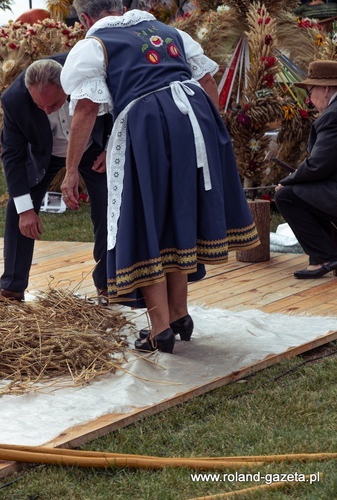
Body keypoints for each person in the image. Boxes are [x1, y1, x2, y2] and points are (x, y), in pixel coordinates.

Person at [60, 0, 259, 353]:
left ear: (85, 18)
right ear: (120, 7)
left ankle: (160, 327)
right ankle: (180, 313)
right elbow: (208, 80)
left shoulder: (95, 46)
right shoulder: (169, 33)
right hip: (194, 117)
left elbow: (87, 108)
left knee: (145, 219)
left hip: (149, 125)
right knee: (176, 214)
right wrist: (210, 133)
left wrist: (71, 169)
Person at [0, 57, 110, 303]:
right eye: (41, 107)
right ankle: (12, 287)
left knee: (108, 206)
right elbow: (13, 157)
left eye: (55, 104)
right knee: (18, 209)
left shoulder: (87, 74)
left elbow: (118, 105)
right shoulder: (13, 101)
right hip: (45, 154)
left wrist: (109, 145)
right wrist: (26, 210)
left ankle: (108, 283)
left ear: (67, 85)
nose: (47, 111)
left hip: (91, 148)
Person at [274, 60, 337, 279]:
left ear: (326, 88)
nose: (309, 100)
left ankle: (323, 257)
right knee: (303, 191)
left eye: (310, 91)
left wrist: (289, 180)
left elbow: (319, 165)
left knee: (286, 195)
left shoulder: (332, 116)